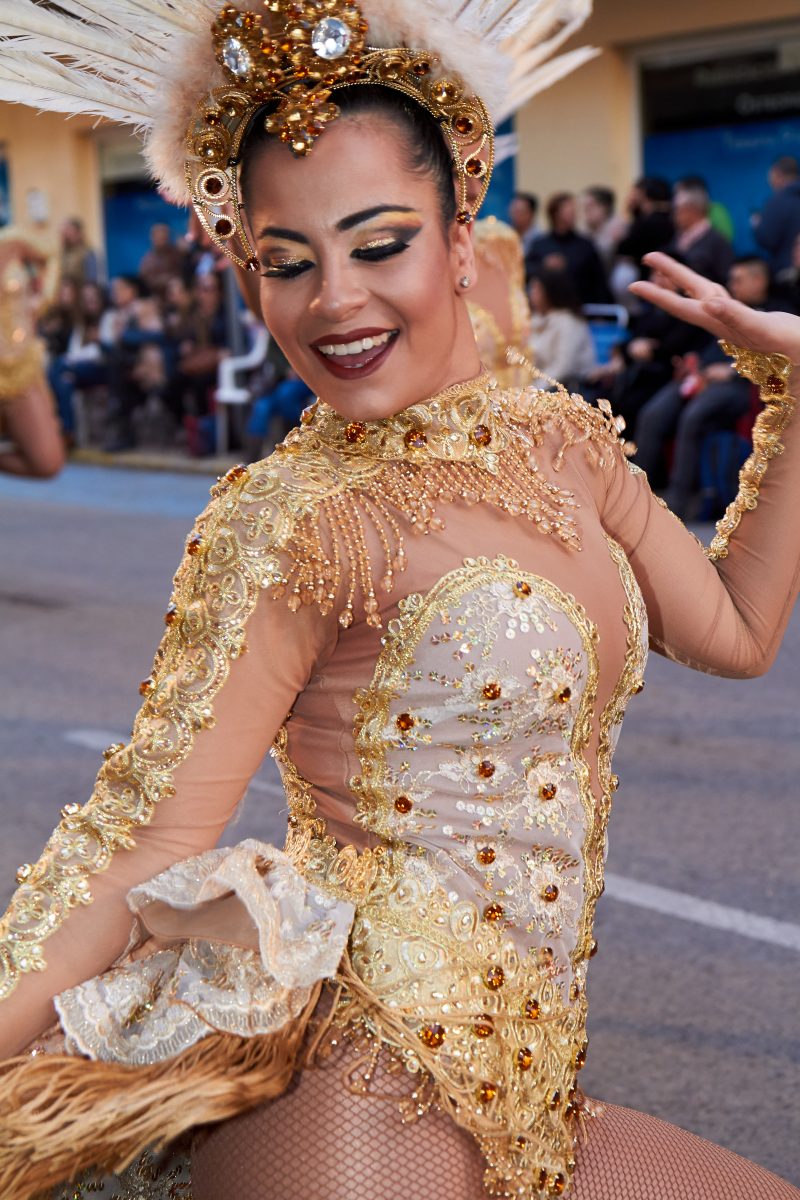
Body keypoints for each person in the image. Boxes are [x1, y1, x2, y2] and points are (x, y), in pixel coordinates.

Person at [1, 6, 800, 1200]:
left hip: (528, 1095)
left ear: (459, 239)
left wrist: (790, 395)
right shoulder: (294, 518)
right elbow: (148, 835)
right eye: (286, 262)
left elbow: (732, 634)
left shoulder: (562, 445)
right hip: (360, 1108)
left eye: (378, 244)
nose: (334, 301)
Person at [633, 257, 781, 511]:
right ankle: (635, 494)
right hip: (701, 377)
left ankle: (676, 502)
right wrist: (694, 365)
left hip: (740, 385)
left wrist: (733, 370)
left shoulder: (777, 313)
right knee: (652, 413)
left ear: (758, 280)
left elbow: (778, 361)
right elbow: (708, 346)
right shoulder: (728, 310)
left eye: (738, 280)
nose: (732, 285)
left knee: (693, 416)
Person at [0, 229, 65, 477]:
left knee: (47, 462)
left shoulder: (14, 241)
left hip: (18, 370)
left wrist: (42, 299)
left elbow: (53, 255)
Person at [467, 215, 532, 387]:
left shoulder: (515, 294)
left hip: (520, 394)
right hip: (477, 398)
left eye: (506, 250)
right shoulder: (459, 294)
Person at [525, 192, 612, 306]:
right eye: (569, 209)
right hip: (548, 309)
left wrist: (602, 311)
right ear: (556, 213)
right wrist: (544, 265)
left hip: (581, 309)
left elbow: (599, 282)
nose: (574, 213)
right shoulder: (540, 244)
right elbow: (526, 271)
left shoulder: (585, 245)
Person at [528, 268, 596, 390]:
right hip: (539, 387)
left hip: (567, 390)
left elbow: (563, 368)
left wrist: (533, 390)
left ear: (550, 292)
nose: (531, 293)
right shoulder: (534, 320)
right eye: (531, 288)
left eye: (537, 289)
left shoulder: (569, 323)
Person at [668, 184, 734, 286]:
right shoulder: (678, 237)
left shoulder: (717, 241)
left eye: (678, 209)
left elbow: (725, 278)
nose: (674, 214)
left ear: (692, 210)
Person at [752, 155, 800, 275]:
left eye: (770, 175)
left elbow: (767, 239)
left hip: (785, 271)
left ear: (777, 173)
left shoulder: (777, 200)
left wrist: (758, 226)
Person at [616, 176, 674, 271]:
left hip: (648, 273)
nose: (631, 198)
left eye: (636, 194)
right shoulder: (672, 218)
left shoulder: (646, 223)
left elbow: (624, 249)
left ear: (645, 196)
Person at [580, 186, 627, 271]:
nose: (586, 211)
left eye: (590, 206)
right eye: (584, 207)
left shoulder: (617, 224)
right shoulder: (585, 227)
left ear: (605, 207)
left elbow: (603, 254)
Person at [138, 223, 187, 297]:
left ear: (168, 235)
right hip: (154, 297)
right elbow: (144, 281)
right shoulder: (146, 260)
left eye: (163, 233)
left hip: (177, 295)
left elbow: (183, 275)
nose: (161, 236)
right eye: (157, 233)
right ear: (151, 236)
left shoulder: (178, 254)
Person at [59, 217, 99, 287]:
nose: (66, 234)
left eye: (69, 230)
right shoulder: (64, 253)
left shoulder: (87, 252)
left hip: (81, 293)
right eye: (65, 231)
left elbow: (92, 279)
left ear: (78, 233)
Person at [508, 192, 542, 258]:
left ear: (531, 214)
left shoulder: (540, 239)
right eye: (513, 211)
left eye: (519, 212)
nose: (514, 215)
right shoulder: (505, 235)